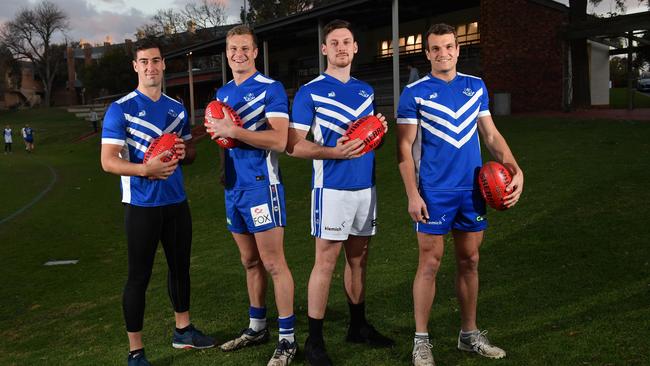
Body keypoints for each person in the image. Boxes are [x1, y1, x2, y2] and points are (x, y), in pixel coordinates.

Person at [396, 23, 524, 366]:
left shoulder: (475, 86)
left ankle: (469, 334)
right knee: (430, 264)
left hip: (472, 191)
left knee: (470, 260)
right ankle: (421, 341)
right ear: (427, 54)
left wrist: (516, 169)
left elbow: (492, 137)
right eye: (435, 48)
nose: (443, 53)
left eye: (449, 47)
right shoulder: (414, 93)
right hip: (433, 192)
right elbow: (404, 150)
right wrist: (412, 194)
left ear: (457, 49)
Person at [100, 38, 214, 366]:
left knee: (180, 268)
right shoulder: (120, 108)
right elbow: (108, 161)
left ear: (164, 65)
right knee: (139, 277)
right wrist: (144, 169)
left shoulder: (176, 108)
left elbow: (190, 152)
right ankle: (136, 351)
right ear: (136, 67)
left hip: (176, 201)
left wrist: (183, 152)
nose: (151, 67)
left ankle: (183, 332)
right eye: (144, 62)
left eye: (156, 61)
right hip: (141, 206)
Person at [287, 19, 393, 366]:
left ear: (355, 47)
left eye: (347, 42)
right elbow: (293, 146)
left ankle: (357, 326)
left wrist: (378, 132)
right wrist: (334, 152)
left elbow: (365, 139)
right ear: (324, 49)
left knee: (359, 259)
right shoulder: (310, 91)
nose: (341, 48)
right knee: (325, 263)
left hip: (366, 187)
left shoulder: (365, 91)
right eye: (334, 43)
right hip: (331, 188)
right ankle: (315, 341)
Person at [204, 25, 297, 366]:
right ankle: (257, 326)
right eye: (232, 49)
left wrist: (234, 130)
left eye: (245, 48)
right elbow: (221, 139)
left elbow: (279, 140)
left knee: (274, 262)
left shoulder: (270, 90)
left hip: (262, 185)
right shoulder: (223, 93)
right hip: (234, 188)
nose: (238, 54)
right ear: (226, 53)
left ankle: (287, 340)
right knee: (249, 261)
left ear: (255, 52)